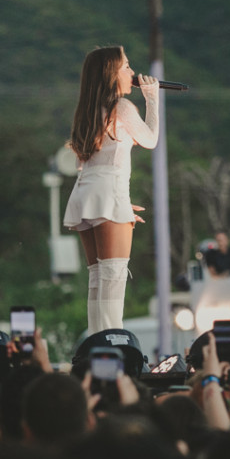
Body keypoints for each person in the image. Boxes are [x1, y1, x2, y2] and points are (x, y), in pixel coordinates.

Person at [62, 45, 159, 332]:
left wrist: (120, 202)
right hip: (109, 191)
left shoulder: (88, 111)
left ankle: (97, 341)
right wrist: (152, 100)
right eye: (126, 67)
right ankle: (110, 345)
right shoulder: (122, 108)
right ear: (110, 74)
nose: (132, 72)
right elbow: (150, 140)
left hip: (86, 192)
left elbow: (89, 163)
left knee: (98, 276)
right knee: (113, 275)